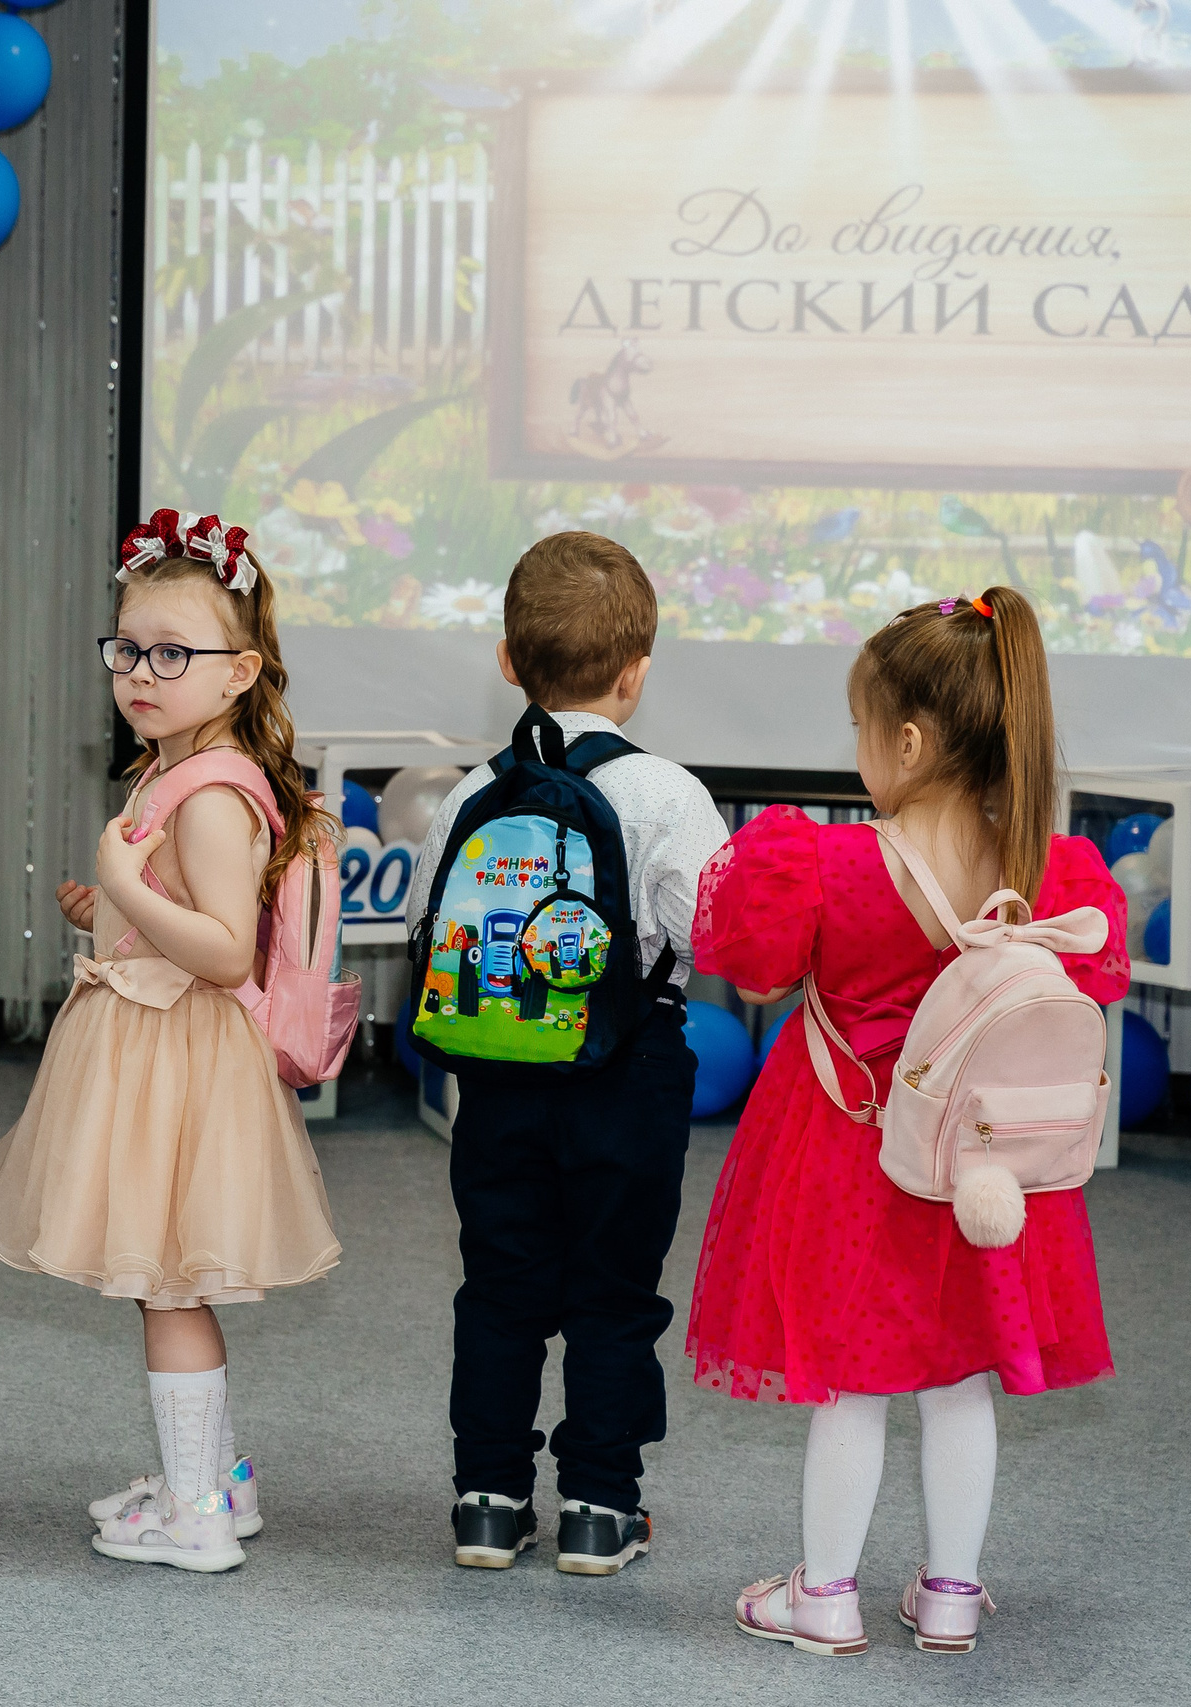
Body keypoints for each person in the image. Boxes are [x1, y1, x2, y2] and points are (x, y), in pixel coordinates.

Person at [693, 587, 1126, 1657]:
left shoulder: (823, 865)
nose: (855, 749)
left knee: (851, 1386)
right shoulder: (1050, 872)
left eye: (859, 727)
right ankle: (950, 1595)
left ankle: (825, 1596)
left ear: (908, 740)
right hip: (988, 1178)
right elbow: (1091, 987)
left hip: (854, 1167)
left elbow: (752, 976)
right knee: (960, 1382)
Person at [0, 508, 340, 1575]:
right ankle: (213, 1482)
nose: (140, 672)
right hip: (154, 1047)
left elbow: (225, 951)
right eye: (127, 648)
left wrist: (127, 879)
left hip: (178, 1059)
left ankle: (196, 1515)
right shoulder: (178, 769)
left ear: (239, 673)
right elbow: (186, 919)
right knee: (166, 1281)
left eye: (173, 653)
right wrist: (120, 908)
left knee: (169, 1285)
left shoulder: (209, 794)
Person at [407, 530, 730, 1574]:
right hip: (628, 1082)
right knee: (614, 1293)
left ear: (508, 660)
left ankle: (487, 1500)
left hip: (499, 1083)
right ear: (636, 672)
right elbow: (715, 936)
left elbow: (429, 933)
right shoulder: (668, 794)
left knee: (499, 1287)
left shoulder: (471, 793)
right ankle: (598, 1507)